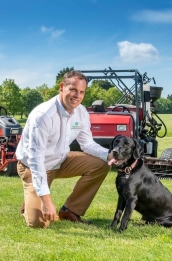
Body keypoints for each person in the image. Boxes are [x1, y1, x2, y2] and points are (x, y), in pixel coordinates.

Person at [16, 70, 113, 228]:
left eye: (81, 92)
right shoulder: (43, 115)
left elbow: (87, 144)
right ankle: (30, 204)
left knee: (101, 165)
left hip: (60, 161)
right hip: (33, 167)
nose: (77, 96)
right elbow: (36, 159)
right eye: (73, 90)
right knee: (39, 223)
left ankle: (70, 211)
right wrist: (47, 201)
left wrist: (110, 156)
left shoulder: (81, 112)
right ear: (62, 87)